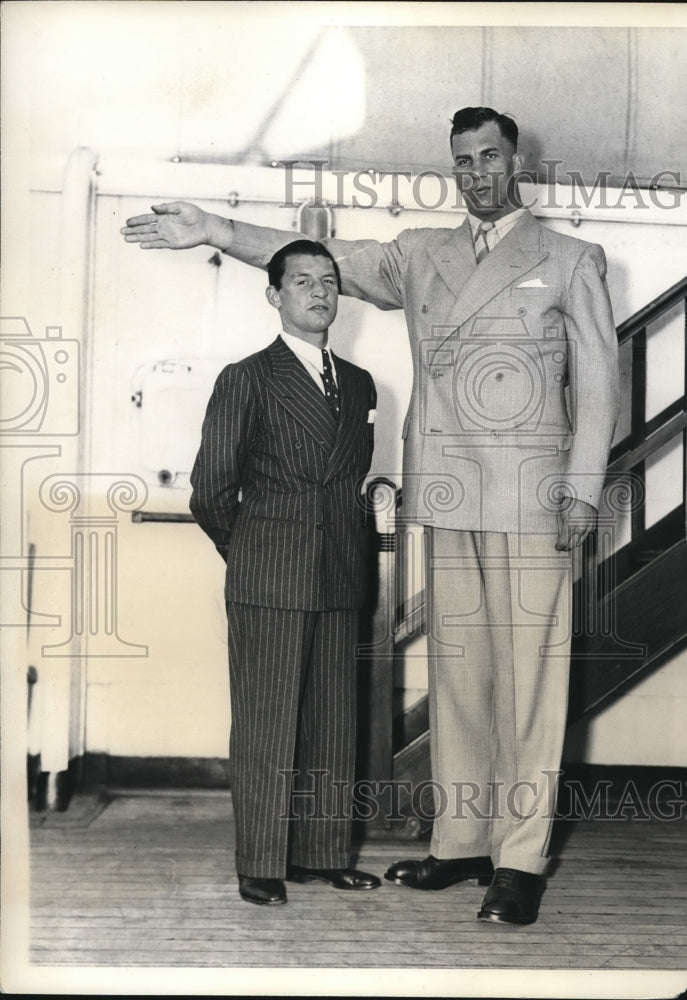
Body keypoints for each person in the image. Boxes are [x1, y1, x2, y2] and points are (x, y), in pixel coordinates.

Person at [123, 106, 620, 924]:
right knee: (459, 676)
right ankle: (461, 841)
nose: (476, 173)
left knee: (531, 680)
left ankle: (520, 861)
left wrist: (583, 488)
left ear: (516, 161)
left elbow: (599, 379)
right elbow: (326, 263)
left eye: (489, 156)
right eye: (462, 161)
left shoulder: (569, 259)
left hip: (532, 497)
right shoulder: (421, 254)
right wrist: (215, 227)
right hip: (448, 493)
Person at [189, 239, 380, 905]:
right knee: (267, 724)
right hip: (269, 574)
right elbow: (210, 491)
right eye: (302, 281)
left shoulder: (359, 383)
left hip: (339, 573)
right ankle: (262, 863)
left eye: (329, 280)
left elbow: (348, 482)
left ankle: (322, 856)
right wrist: (250, 553)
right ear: (274, 295)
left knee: (334, 722)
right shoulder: (246, 378)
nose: (319, 291)